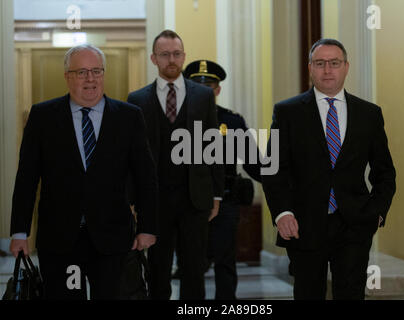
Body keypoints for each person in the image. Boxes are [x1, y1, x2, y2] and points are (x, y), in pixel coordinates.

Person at [9, 44, 158, 300]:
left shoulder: (129, 117)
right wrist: (19, 232)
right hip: (60, 239)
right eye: (82, 72)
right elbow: (27, 178)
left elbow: (146, 177)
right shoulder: (43, 116)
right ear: (67, 76)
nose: (91, 79)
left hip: (113, 239)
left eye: (96, 71)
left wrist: (148, 227)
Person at [262, 39, 396, 300]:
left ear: (346, 67)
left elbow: (384, 171)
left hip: (355, 224)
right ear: (310, 67)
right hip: (304, 223)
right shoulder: (287, 112)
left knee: (351, 293)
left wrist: (377, 210)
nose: (327, 70)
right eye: (320, 63)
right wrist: (282, 212)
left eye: (334, 63)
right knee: (308, 293)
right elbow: (273, 169)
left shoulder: (369, 114)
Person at [127, 31, 225, 300]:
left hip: (195, 198)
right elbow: (131, 157)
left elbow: (212, 145)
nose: (172, 60)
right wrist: (133, 199)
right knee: (157, 270)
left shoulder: (204, 96)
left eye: (176, 54)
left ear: (183, 56)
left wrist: (217, 193)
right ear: (153, 58)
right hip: (155, 201)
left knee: (195, 269)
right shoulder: (137, 100)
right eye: (165, 54)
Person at [182, 60, 262, 299]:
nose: (205, 89)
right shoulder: (177, 120)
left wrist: (283, 178)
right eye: (198, 84)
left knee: (225, 262)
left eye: (210, 85)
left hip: (226, 200)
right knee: (190, 263)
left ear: (217, 89)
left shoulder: (232, 121)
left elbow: (254, 163)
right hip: (188, 202)